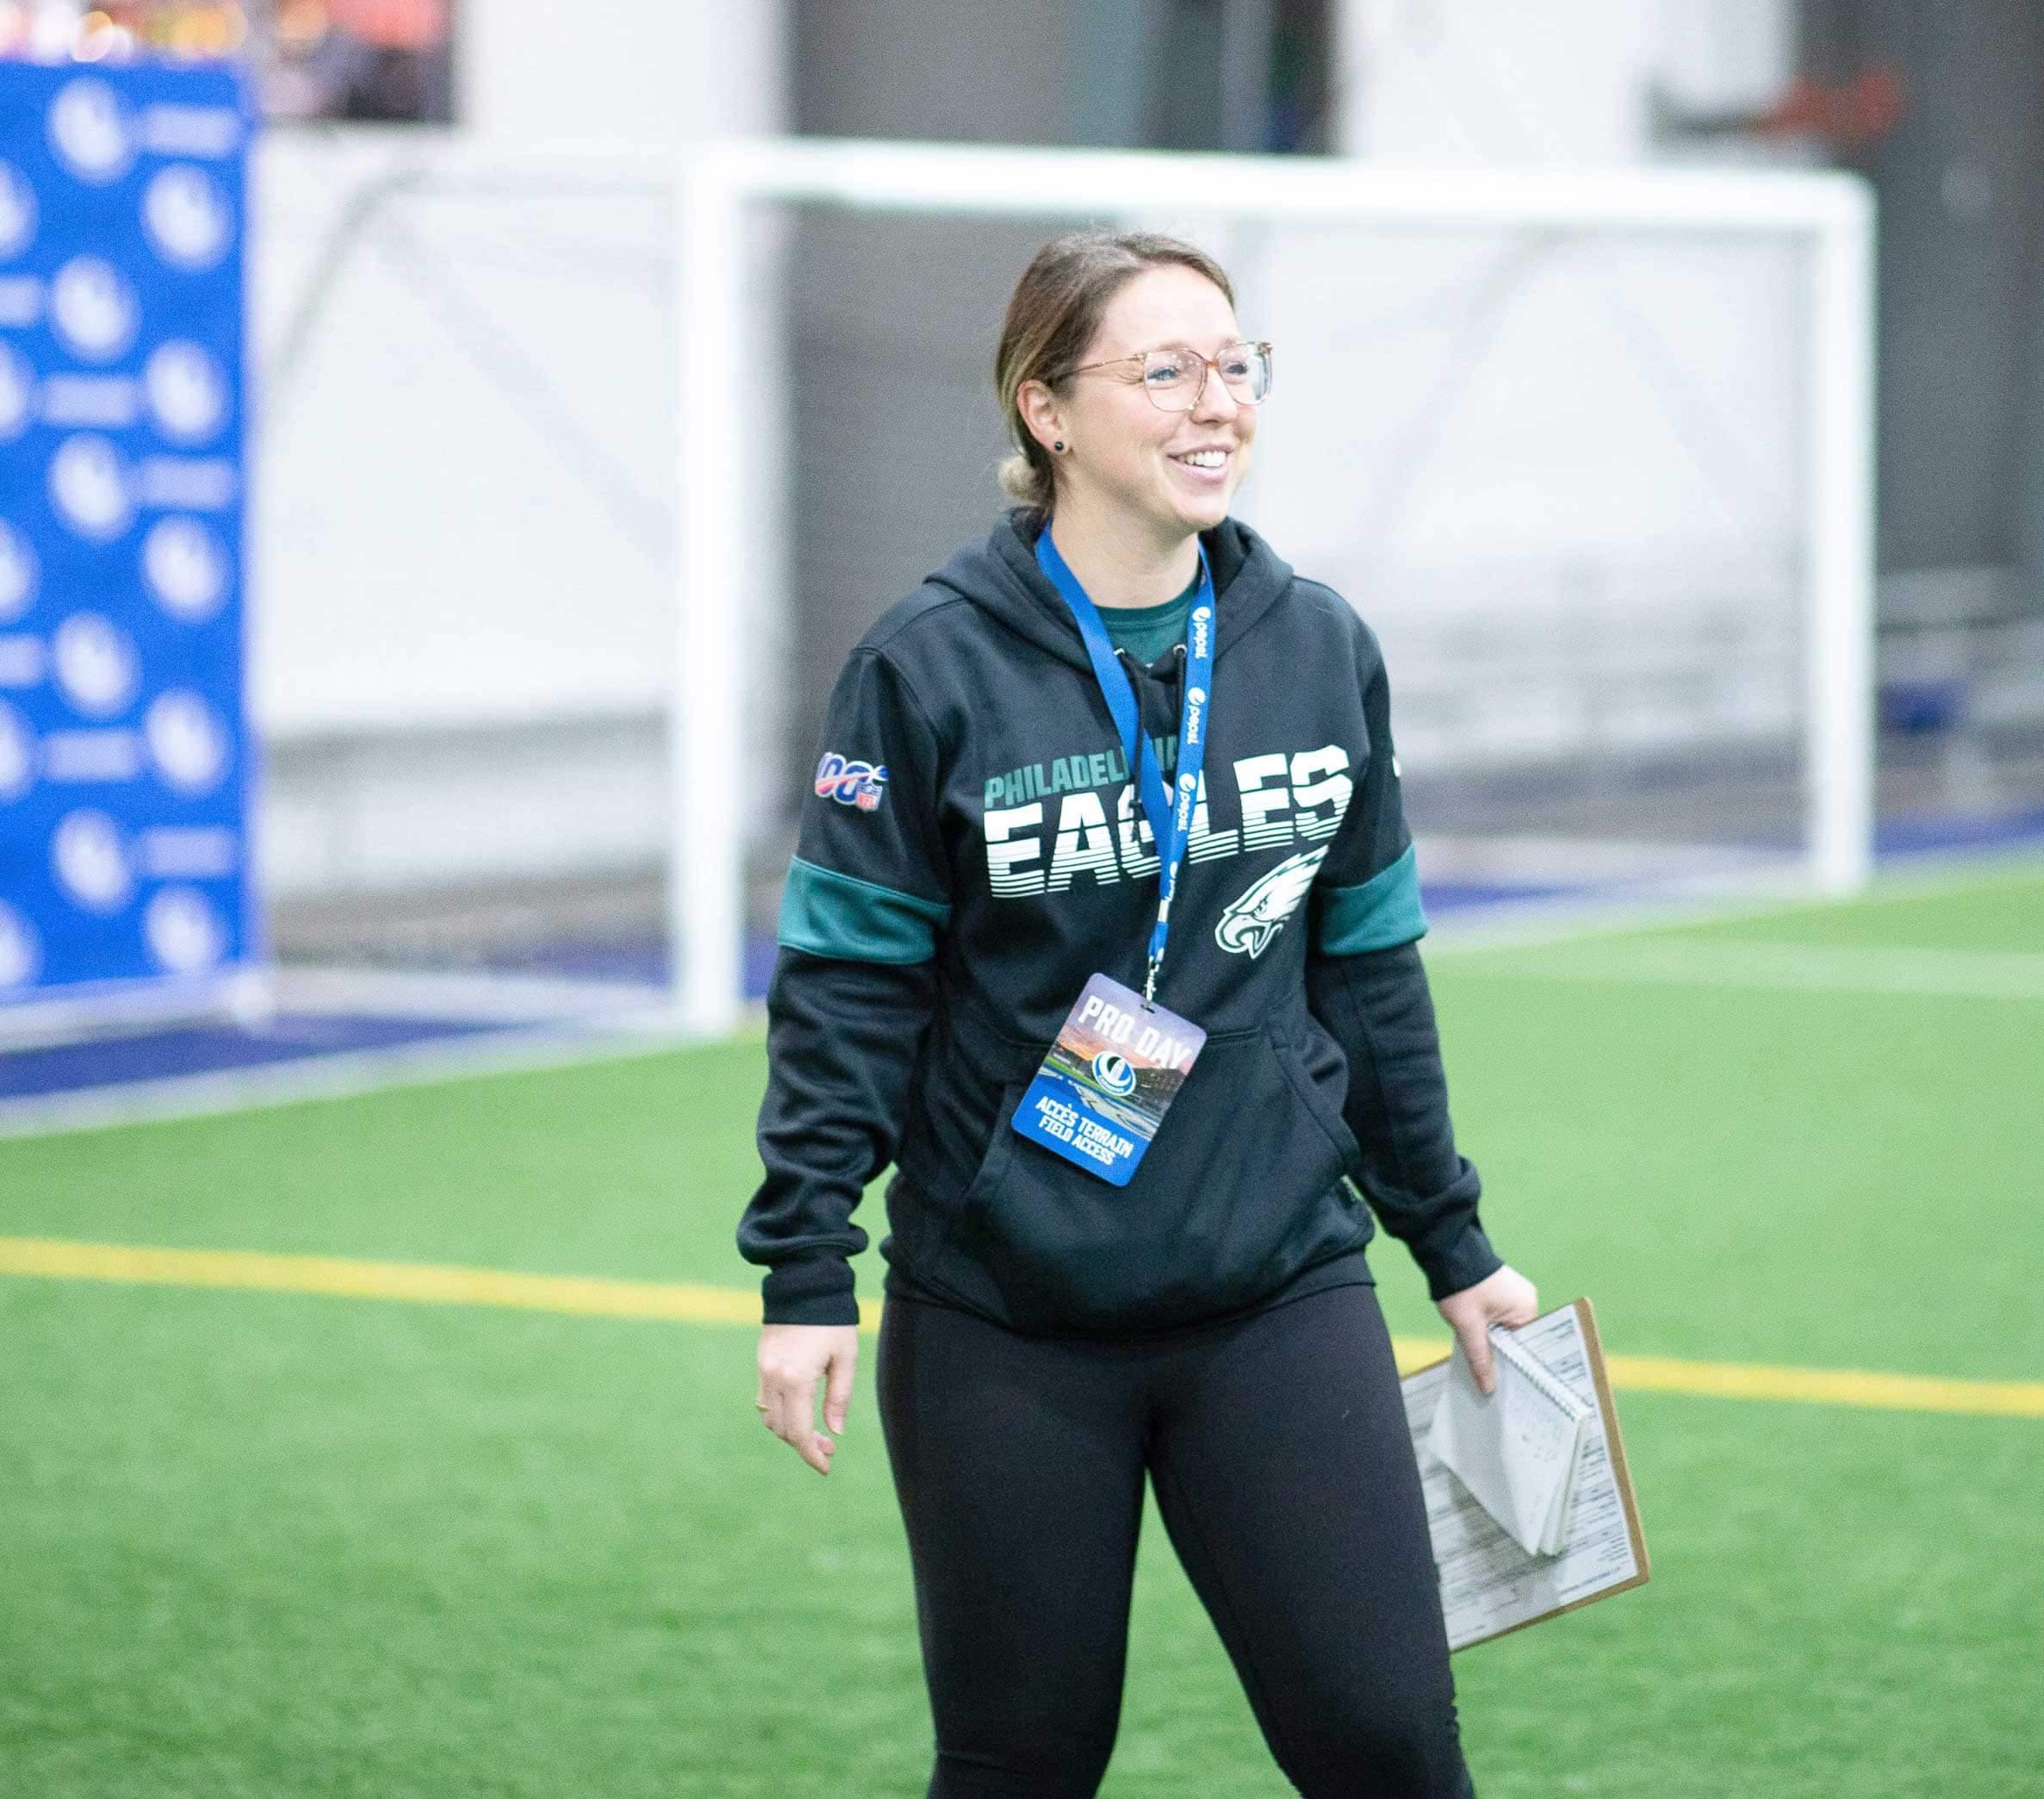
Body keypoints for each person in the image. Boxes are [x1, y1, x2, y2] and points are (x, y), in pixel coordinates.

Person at [737, 228, 1538, 1799]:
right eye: (1162, 370)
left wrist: (1451, 1241)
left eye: (1233, 366)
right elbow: (846, 990)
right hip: (1007, 1319)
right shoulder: (926, 667)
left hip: (1276, 1292)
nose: (1214, 403)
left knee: (1389, 1748)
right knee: (1022, 1764)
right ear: (1046, 411)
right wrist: (804, 1268)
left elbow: (1368, 968)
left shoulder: (1314, 646)